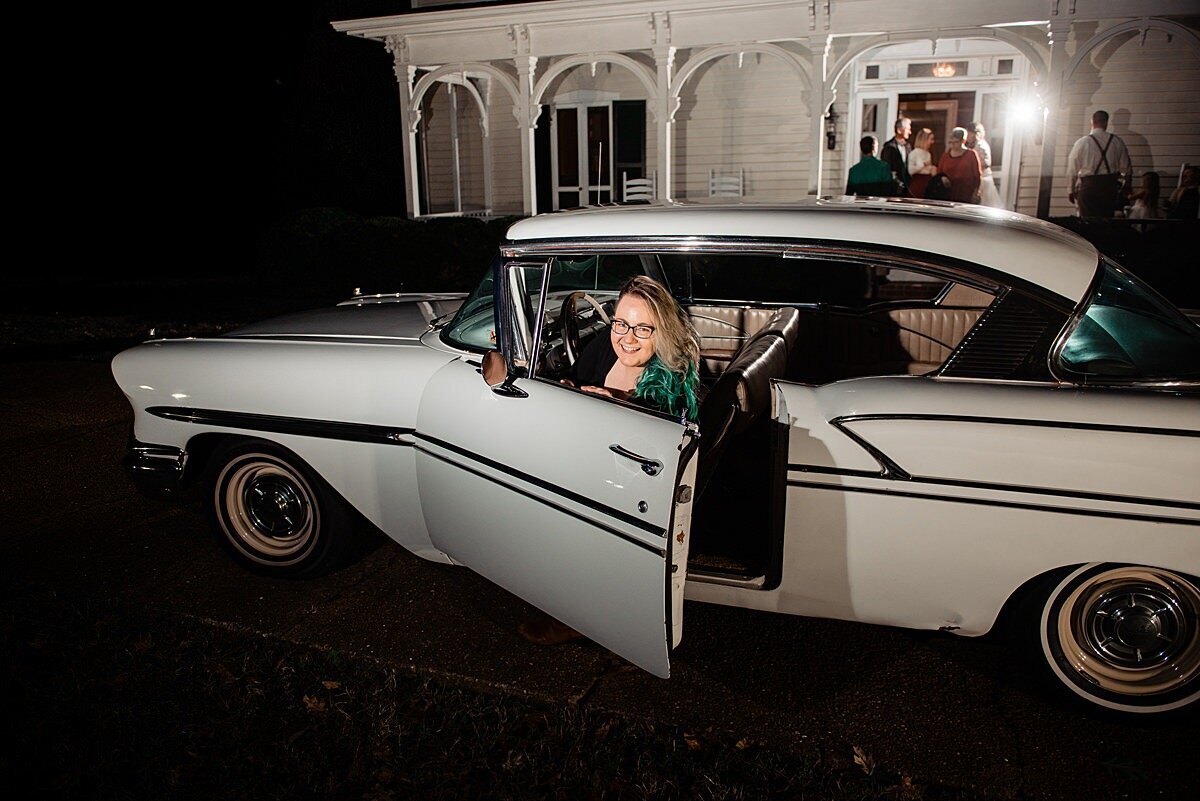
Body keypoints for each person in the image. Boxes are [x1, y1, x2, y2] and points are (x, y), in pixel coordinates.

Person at [520, 275, 701, 647]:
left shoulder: (671, 379)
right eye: (620, 323)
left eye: (642, 328)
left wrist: (618, 402)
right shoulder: (605, 346)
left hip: (637, 480)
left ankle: (580, 618)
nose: (627, 337)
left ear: (661, 330)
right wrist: (572, 390)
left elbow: (665, 438)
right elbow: (578, 379)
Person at [1067, 109, 1131, 217]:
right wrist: (1126, 185)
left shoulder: (1082, 142)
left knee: (1087, 222)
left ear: (1092, 121)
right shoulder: (1117, 141)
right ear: (1106, 122)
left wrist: (1070, 190)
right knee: (1106, 222)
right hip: (1109, 187)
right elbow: (1127, 169)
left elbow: (1072, 169)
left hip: (1089, 187)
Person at [937, 126, 983, 204]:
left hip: (966, 193)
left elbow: (977, 176)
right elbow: (939, 172)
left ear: (963, 141)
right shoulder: (946, 156)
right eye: (950, 142)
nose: (952, 145)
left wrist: (976, 193)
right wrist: (943, 178)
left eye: (956, 142)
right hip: (948, 193)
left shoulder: (971, 154)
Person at [967, 122, 1003, 208]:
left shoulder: (981, 145)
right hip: (979, 179)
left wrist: (974, 166)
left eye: (968, 133)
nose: (967, 136)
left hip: (984, 180)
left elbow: (987, 162)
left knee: (984, 204)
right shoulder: (974, 145)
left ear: (974, 134)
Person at [879, 117, 912, 196]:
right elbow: (887, 168)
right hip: (893, 189)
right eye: (908, 129)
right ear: (899, 130)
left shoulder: (908, 146)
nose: (910, 132)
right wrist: (897, 182)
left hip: (906, 188)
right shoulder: (889, 147)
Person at [906, 128, 938, 199]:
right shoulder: (914, 153)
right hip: (918, 183)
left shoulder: (928, 154)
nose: (932, 142)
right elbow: (911, 170)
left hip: (928, 184)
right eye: (931, 139)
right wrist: (923, 165)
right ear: (924, 140)